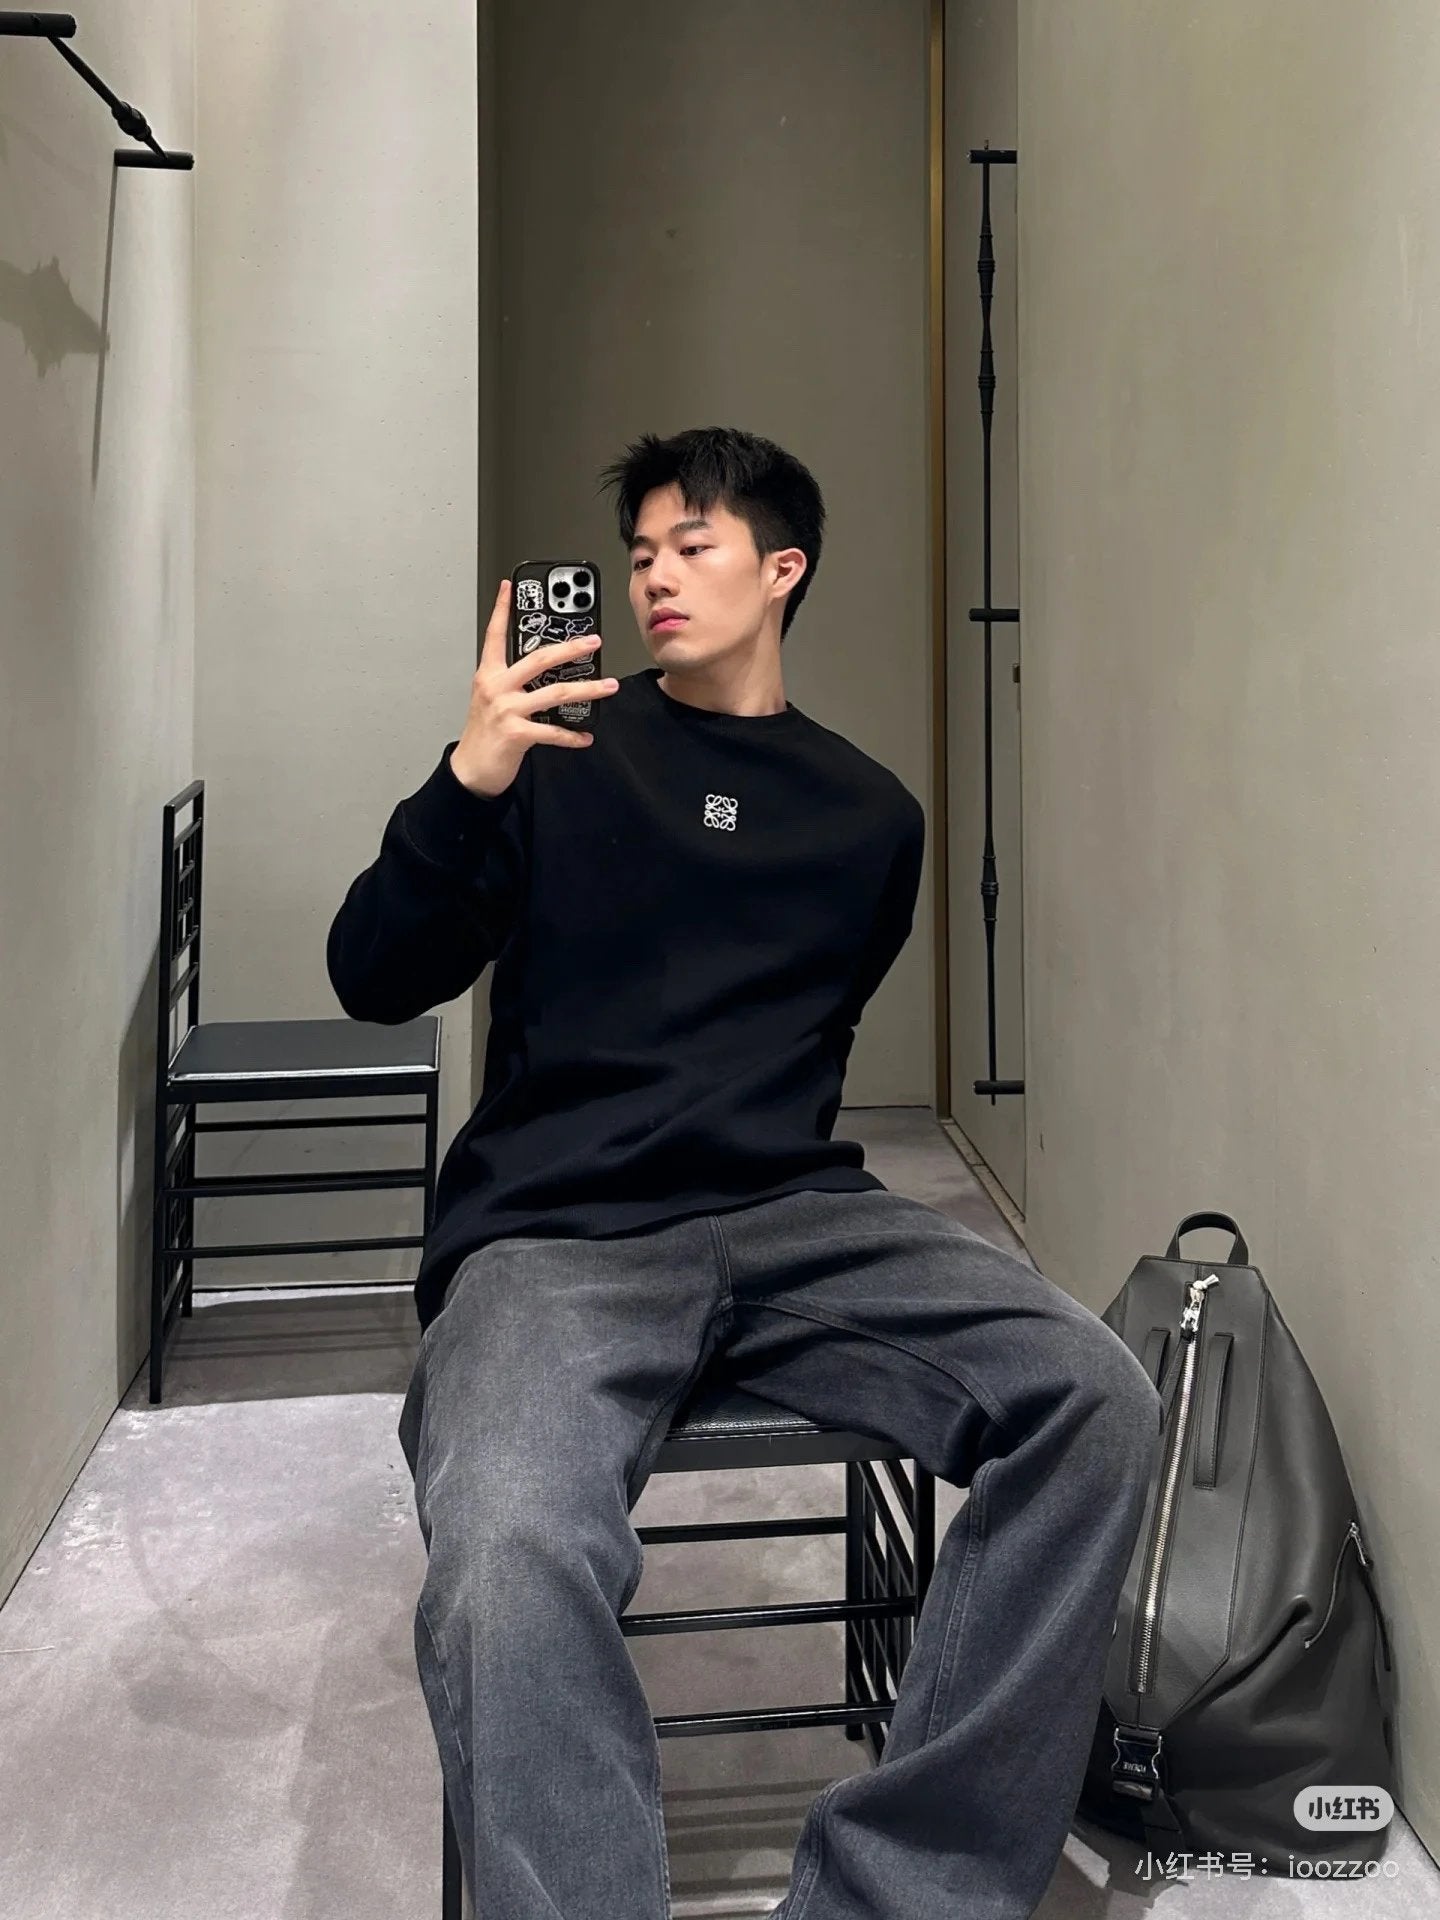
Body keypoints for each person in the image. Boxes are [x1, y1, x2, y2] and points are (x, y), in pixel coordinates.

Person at [326, 426, 1164, 1920]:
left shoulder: (872, 818)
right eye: (639, 551)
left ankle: (897, 1889)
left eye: (690, 545)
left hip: (798, 1223)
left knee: (1096, 1396)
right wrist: (469, 776)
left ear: (782, 569)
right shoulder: (554, 757)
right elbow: (372, 976)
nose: (653, 573)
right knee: (510, 1542)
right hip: (556, 1237)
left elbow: (813, 1041)